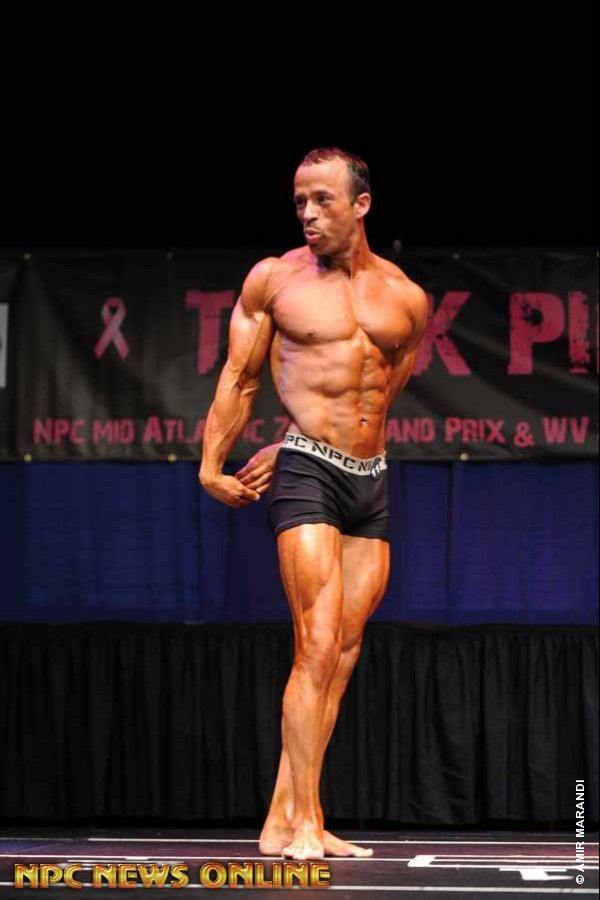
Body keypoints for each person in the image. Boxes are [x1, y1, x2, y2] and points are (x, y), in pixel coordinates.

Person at [199, 147, 428, 860]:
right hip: (309, 477)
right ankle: (305, 822)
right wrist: (212, 465)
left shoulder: (406, 297)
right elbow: (239, 378)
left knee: (344, 653)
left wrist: (341, 436)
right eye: (300, 200)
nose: (308, 213)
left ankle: (287, 816)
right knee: (316, 644)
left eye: (322, 200)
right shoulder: (275, 280)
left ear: (361, 205)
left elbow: (386, 385)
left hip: (370, 477)